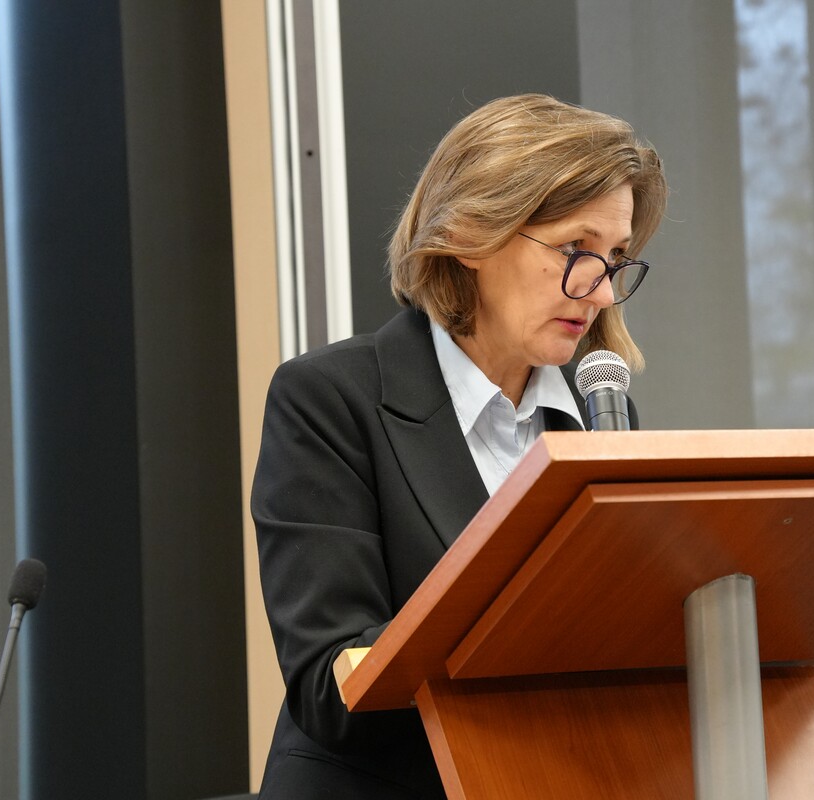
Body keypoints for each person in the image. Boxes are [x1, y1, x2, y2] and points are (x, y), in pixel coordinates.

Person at [252, 93, 667, 799]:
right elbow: (330, 685)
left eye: (616, 258)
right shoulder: (329, 399)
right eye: (577, 249)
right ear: (472, 233)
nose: (600, 292)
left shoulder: (601, 413)